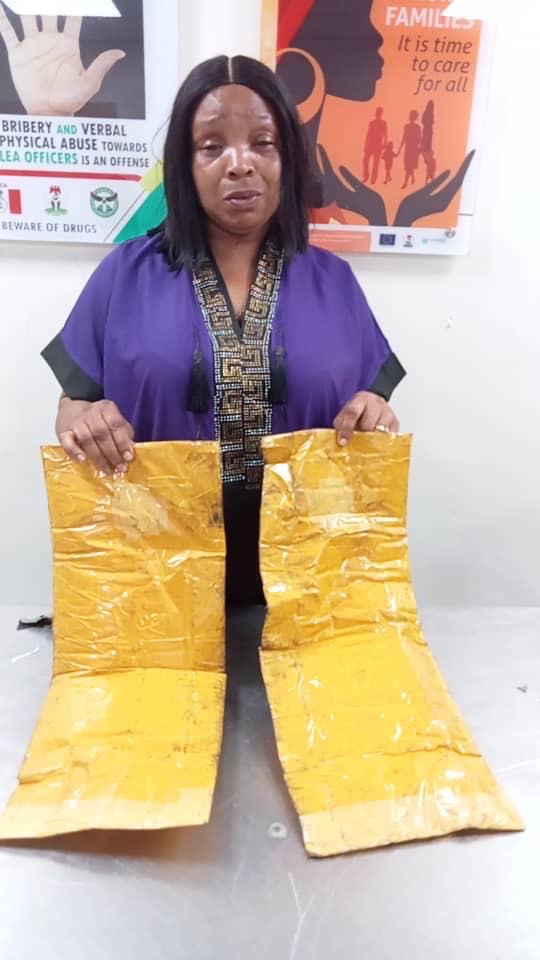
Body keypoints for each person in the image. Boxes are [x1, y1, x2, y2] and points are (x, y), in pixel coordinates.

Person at [42, 55, 405, 605]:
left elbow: (372, 409)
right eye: (212, 147)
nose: (240, 165)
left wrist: (374, 414)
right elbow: (74, 404)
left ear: (287, 158)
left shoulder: (334, 283)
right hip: (156, 574)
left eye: (263, 143)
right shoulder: (125, 275)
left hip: (308, 579)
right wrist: (81, 421)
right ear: (184, 164)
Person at [363, 107, 387, 186]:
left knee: (376, 163)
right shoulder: (372, 123)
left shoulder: (383, 123)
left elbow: (385, 135)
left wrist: (384, 144)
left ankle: (373, 179)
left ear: (381, 113)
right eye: (377, 112)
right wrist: (366, 144)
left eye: (379, 112)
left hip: (378, 145)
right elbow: (368, 134)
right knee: (365, 160)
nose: (378, 114)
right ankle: (366, 176)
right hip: (370, 144)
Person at [399, 109, 422, 189]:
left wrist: (420, 149)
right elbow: (404, 137)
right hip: (408, 148)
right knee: (408, 166)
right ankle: (412, 177)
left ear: (415, 117)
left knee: (409, 166)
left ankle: (405, 182)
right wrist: (400, 148)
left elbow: (420, 139)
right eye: (411, 116)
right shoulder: (407, 126)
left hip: (414, 148)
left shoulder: (417, 127)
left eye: (412, 116)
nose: (411, 117)